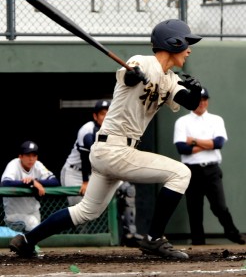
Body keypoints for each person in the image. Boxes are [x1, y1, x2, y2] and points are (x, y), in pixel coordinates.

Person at [9, 18, 203, 259]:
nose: (189, 49)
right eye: (186, 43)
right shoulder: (141, 62)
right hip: (116, 149)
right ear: (172, 43)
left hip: (109, 152)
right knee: (181, 173)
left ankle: (26, 240)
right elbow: (127, 77)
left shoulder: (170, 78)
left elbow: (190, 102)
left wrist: (196, 91)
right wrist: (136, 76)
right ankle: (153, 239)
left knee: (85, 212)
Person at [60, 100, 143, 247]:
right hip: (76, 173)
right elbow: (85, 157)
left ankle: (129, 233)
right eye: (102, 113)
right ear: (95, 116)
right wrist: (85, 182)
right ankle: (81, 243)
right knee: (80, 211)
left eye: (108, 113)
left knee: (127, 189)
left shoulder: (118, 130)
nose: (106, 116)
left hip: (100, 171)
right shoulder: (87, 129)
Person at [173, 87, 246, 245]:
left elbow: (218, 143)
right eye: (198, 100)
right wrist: (208, 144)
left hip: (211, 169)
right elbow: (181, 148)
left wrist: (193, 140)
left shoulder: (216, 120)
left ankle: (232, 233)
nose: (202, 103)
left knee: (219, 206)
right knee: (194, 208)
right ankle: (198, 241)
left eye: (204, 99)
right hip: (191, 170)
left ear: (208, 101)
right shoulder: (182, 121)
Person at [1, 140, 60, 233]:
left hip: (34, 213)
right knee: (32, 225)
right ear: (20, 156)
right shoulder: (13, 164)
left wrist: (34, 181)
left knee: (35, 230)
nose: (31, 159)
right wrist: (29, 183)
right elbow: (5, 183)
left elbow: (55, 182)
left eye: (34, 155)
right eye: (28, 155)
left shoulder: (38, 165)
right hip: (14, 216)